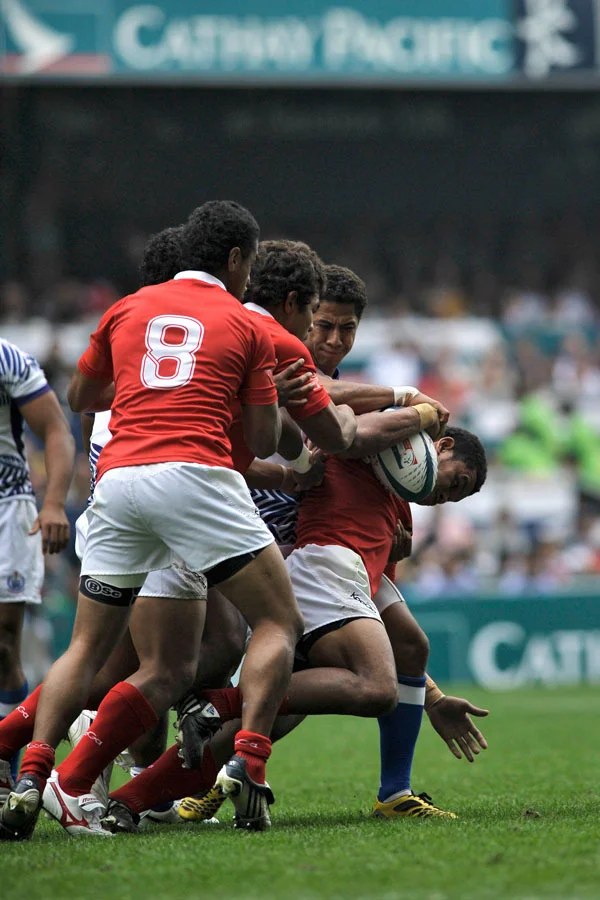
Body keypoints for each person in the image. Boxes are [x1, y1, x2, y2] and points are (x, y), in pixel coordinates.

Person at [0, 199, 305, 842]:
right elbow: (261, 434)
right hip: (191, 478)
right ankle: (247, 755)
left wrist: (145, 391)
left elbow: (81, 399)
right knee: (273, 622)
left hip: (117, 483)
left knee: (91, 650)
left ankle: (33, 772)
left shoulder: (125, 311)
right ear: (234, 260)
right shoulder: (243, 323)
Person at [99, 422, 487, 832]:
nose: (446, 497)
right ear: (440, 446)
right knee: (377, 687)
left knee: (406, 646)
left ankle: (130, 801)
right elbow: (340, 415)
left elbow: (380, 613)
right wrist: (414, 404)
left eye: (455, 497)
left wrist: (434, 698)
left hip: (336, 583)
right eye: (455, 481)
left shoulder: (398, 514)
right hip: (322, 569)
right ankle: (217, 705)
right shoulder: (364, 442)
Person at [0, 339, 75, 801]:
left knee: (4, 642)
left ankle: (4, 767)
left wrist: (52, 504)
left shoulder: (8, 358)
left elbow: (56, 430)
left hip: (7, 508)